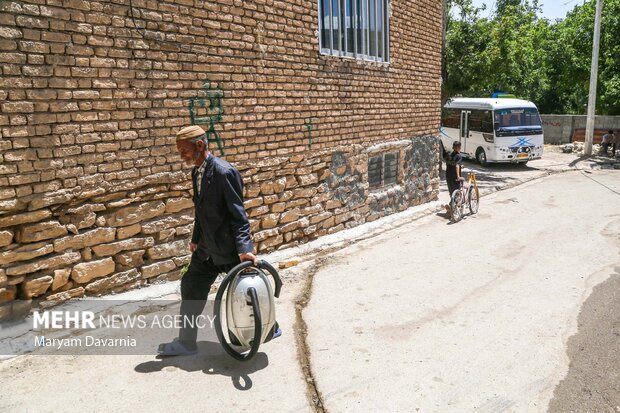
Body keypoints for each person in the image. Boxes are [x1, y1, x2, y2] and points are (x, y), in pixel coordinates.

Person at [158, 125, 260, 356]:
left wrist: (245, 249)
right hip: (206, 250)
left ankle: (264, 328)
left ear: (200, 146)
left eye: (183, 150)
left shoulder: (225, 172)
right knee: (191, 285)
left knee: (244, 295)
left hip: (228, 250)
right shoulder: (197, 172)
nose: (181, 155)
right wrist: (196, 239)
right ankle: (186, 342)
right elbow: (201, 210)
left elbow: (238, 216)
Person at [444, 140, 463, 214]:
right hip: (455, 176)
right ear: (459, 147)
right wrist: (458, 177)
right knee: (456, 192)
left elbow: (451, 163)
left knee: (451, 191)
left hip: (448, 175)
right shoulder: (459, 156)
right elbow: (457, 166)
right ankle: (453, 208)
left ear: (453, 147)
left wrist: (461, 166)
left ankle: (451, 205)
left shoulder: (449, 154)